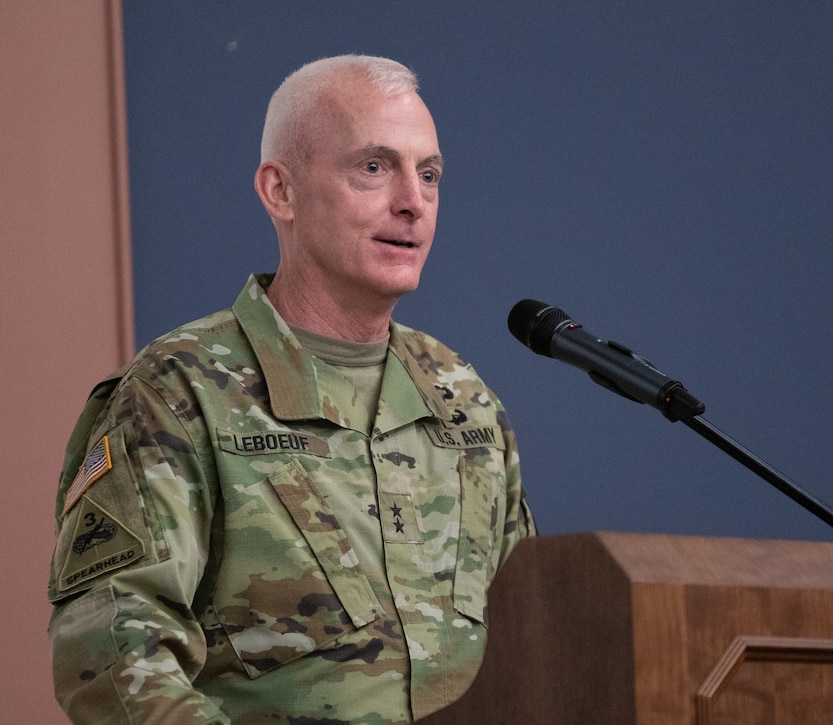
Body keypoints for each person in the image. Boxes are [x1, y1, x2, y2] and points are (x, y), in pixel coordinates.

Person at [47, 54, 536, 724]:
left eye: (429, 174)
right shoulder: (180, 389)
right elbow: (112, 656)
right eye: (374, 166)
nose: (412, 200)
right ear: (281, 190)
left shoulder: (463, 399)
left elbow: (538, 642)